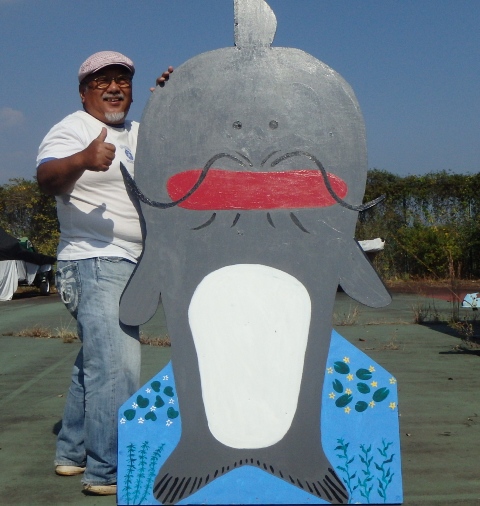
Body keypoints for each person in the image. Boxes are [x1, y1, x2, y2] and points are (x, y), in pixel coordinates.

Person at [36, 51, 173, 496]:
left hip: (134, 262)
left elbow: (180, 151)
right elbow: (46, 178)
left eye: (122, 81)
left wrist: (171, 101)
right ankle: (107, 470)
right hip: (93, 260)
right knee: (117, 365)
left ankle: (72, 452)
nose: (114, 88)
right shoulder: (73, 128)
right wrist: (82, 159)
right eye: (101, 82)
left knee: (96, 361)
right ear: (84, 93)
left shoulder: (139, 133)